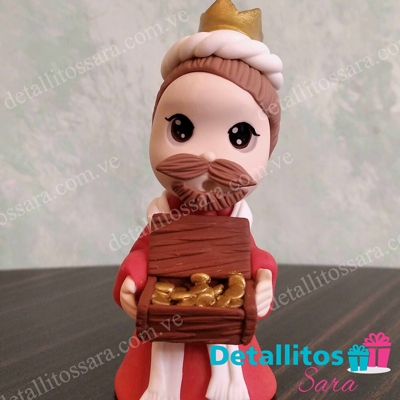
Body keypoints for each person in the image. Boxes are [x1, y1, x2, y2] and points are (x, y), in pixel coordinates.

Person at [113, 1, 283, 399]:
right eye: (182, 129)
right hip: (161, 333)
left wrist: (263, 278)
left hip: (228, 337)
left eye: (239, 137)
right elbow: (144, 253)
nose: (207, 155)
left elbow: (253, 256)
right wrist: (131, 280)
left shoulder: (237, 220)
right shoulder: (163, 217)